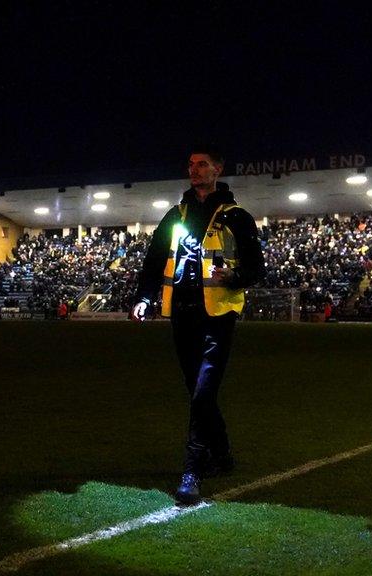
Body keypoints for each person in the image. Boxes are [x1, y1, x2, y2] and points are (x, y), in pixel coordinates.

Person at [131, 145, 266, 505]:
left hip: (219, 314)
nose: (194, 170)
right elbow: (154, 259)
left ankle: (192, 469)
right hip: (183, 312)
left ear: (218, 169)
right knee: (197, 391)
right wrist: (144, 298)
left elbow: (257, 268)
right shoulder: (176, 214)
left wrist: (233, 276)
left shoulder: (238, 217)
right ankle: (221, 455)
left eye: (202, 164)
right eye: (191, 164)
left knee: (203, 391)